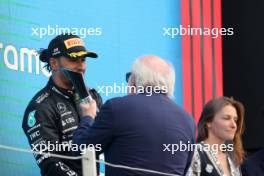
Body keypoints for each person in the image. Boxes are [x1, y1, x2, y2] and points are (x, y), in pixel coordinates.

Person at [73, 55, 196, 176]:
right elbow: (185, 169)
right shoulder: (188, 120)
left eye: (129, 76)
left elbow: (82, 150)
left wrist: (87, 117)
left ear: (134, 80)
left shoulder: (116, 108)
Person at [22, 33, 102, 176]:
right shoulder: (40, 107)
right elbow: (50, 163)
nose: (81, 66)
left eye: (83, 60)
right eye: (73, 59)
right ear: (54, 63)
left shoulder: (93, 96)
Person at [186, 97, 245, 176]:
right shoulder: (196, 153)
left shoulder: (232, 157)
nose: (234, 125)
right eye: (226, 118)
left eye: (235, 120)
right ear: (208, 122)